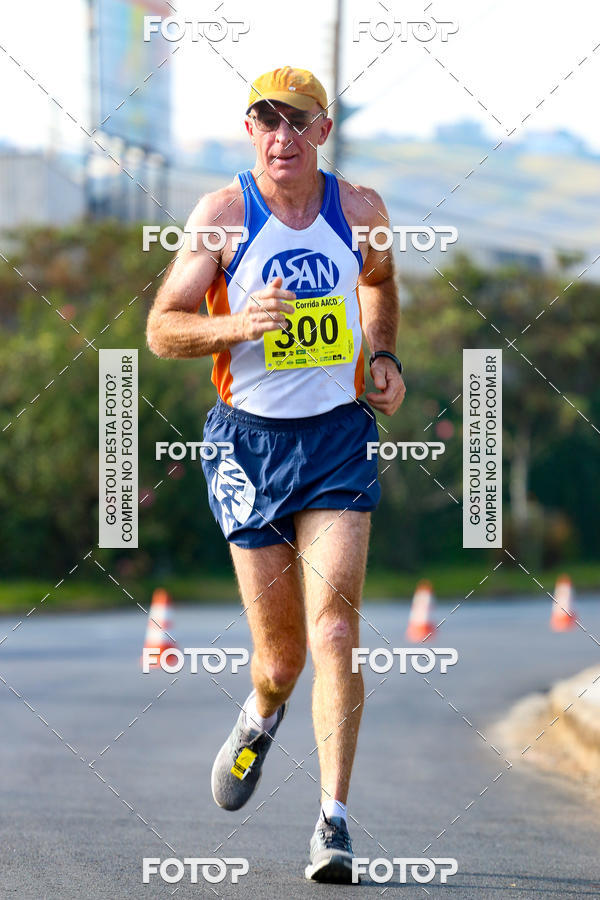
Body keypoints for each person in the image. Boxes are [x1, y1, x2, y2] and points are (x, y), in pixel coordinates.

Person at [146, 65, 405, 883]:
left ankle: (332, 823)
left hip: (336, 440)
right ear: (249, 131)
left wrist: (385, 357)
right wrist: (233, 324)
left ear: (322, 131)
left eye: (297, 122)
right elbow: (161, 329)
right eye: (266, 121)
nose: (281, 137)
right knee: (282, 660)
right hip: (248, 446)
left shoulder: (359, 210)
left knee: (335, 631)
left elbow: (381, 284)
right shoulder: (223, 217)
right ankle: (261, 714)